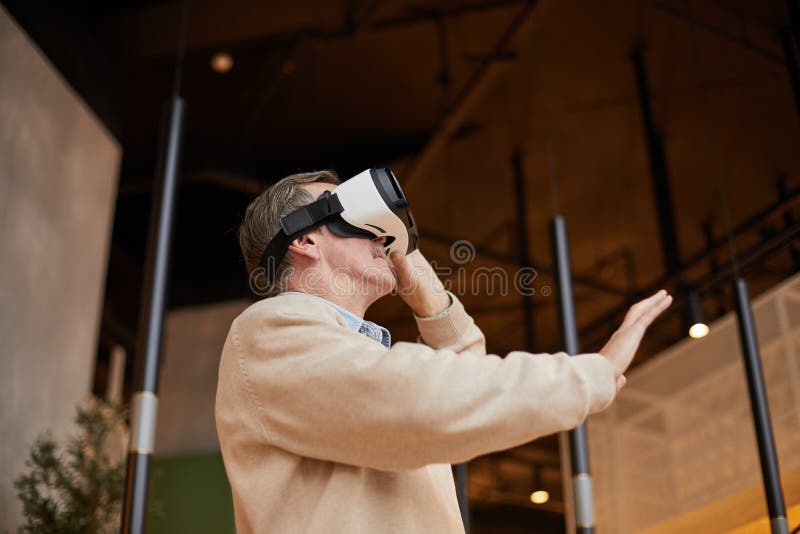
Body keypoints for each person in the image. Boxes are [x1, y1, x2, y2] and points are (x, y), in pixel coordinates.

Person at [215, 170, 672, 533]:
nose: (382, 237)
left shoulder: (346, 349)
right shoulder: (269, 332)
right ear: (305, 239)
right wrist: (590, 374)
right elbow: (423, 401)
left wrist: (426, 293)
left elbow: (465, 398)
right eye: (359, 217)